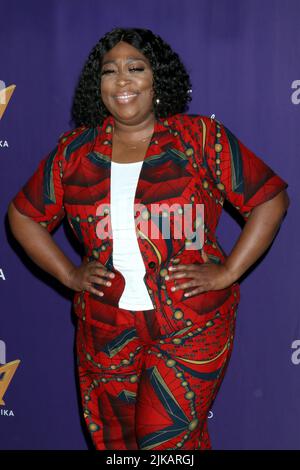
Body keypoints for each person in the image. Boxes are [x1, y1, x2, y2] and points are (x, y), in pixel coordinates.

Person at [7, 27, 289, 451]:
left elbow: (270, 198)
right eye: (110, 71)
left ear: (157, 79)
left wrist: (228, 271)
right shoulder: (75, 152)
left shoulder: (199, 139)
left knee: (165, 443)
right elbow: (23, 216)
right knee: (118, 445)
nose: (122, 80)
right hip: (106, 326)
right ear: (96, 84)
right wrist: (68, 273)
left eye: (135, 68)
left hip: (189, 321)